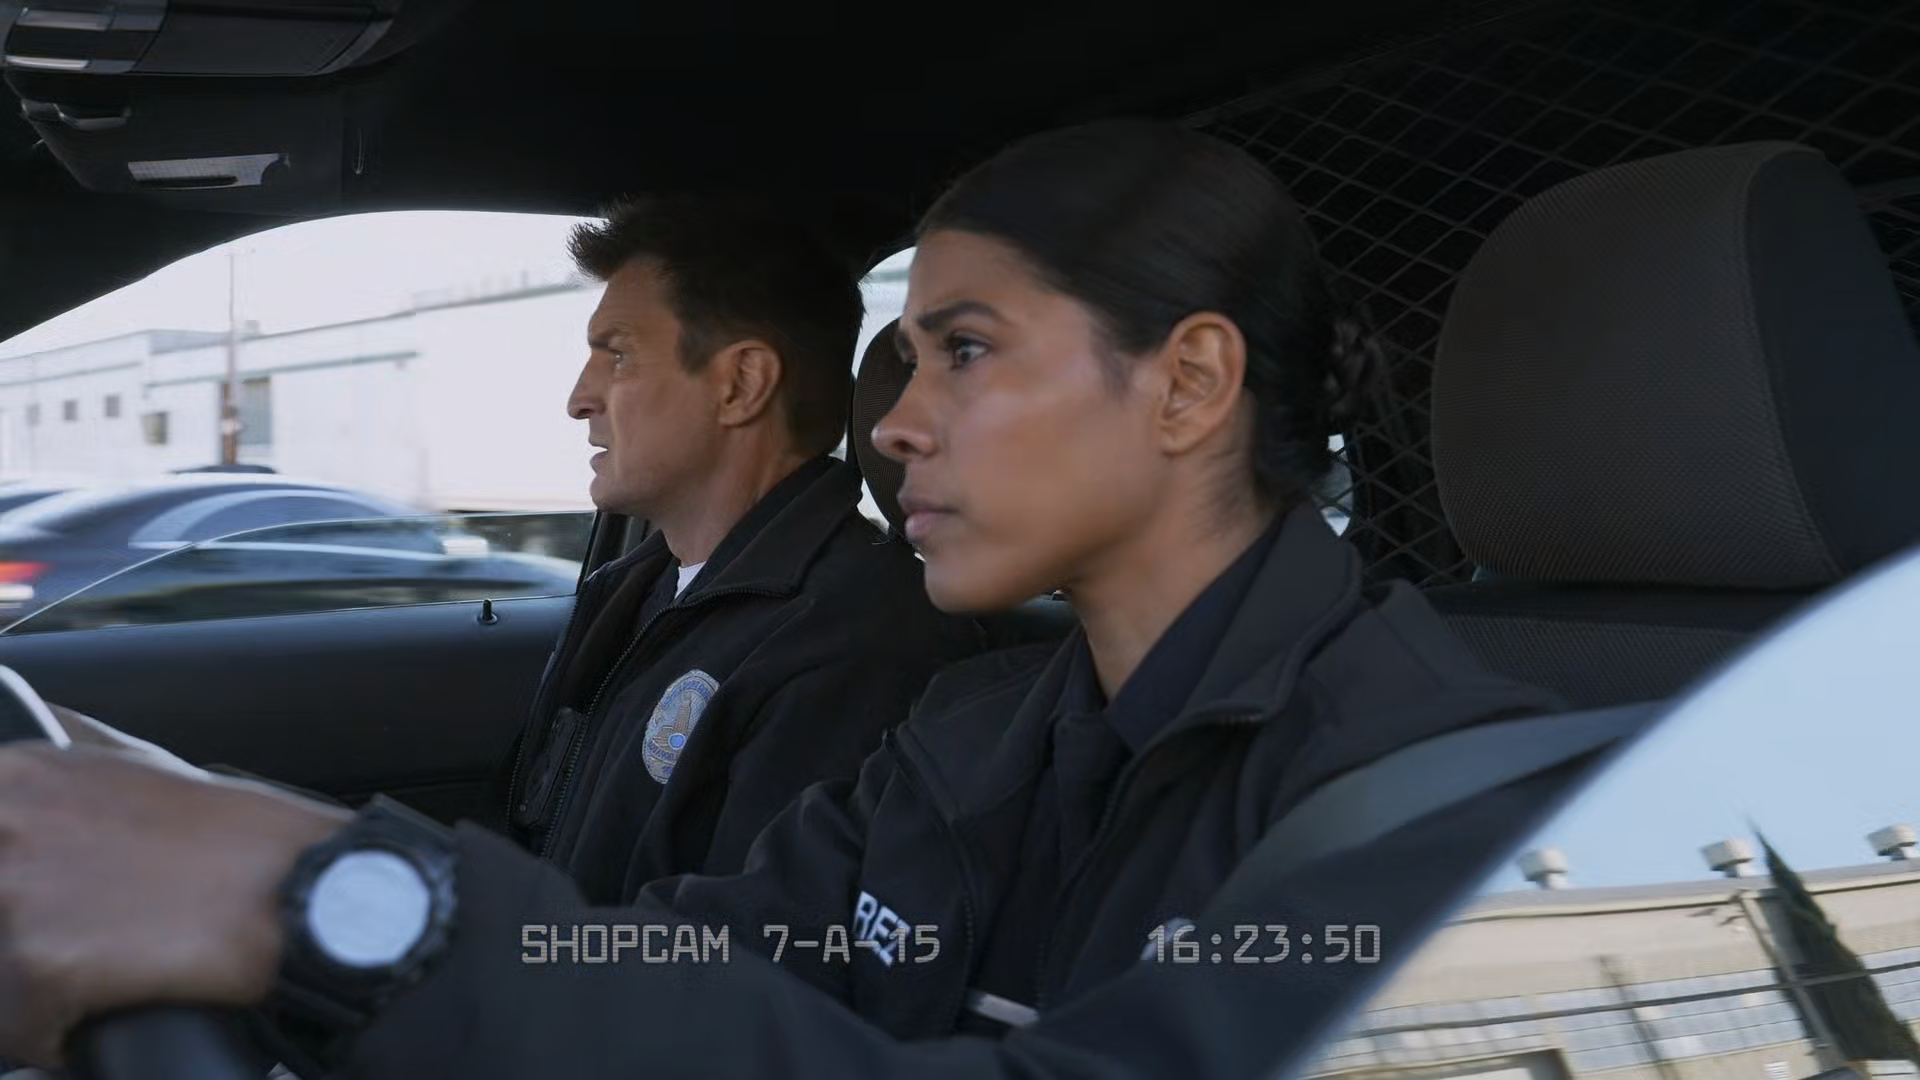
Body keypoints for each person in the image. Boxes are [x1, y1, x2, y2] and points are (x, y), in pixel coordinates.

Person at [0, 120, 1577, 1077]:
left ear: (1187, 384)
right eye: (907, 358)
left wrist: (345, 909)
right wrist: (237, 858)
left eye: (966, 352)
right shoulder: (975, 737)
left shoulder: (1464, 822)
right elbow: (680, 965)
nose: (894, 424)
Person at [52, 194, 985, 903]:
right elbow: (525, 845)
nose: (580, 397)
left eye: (617, 353)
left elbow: (732, 976)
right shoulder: (635, 591)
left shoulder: (855, 643)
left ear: (740, 384)